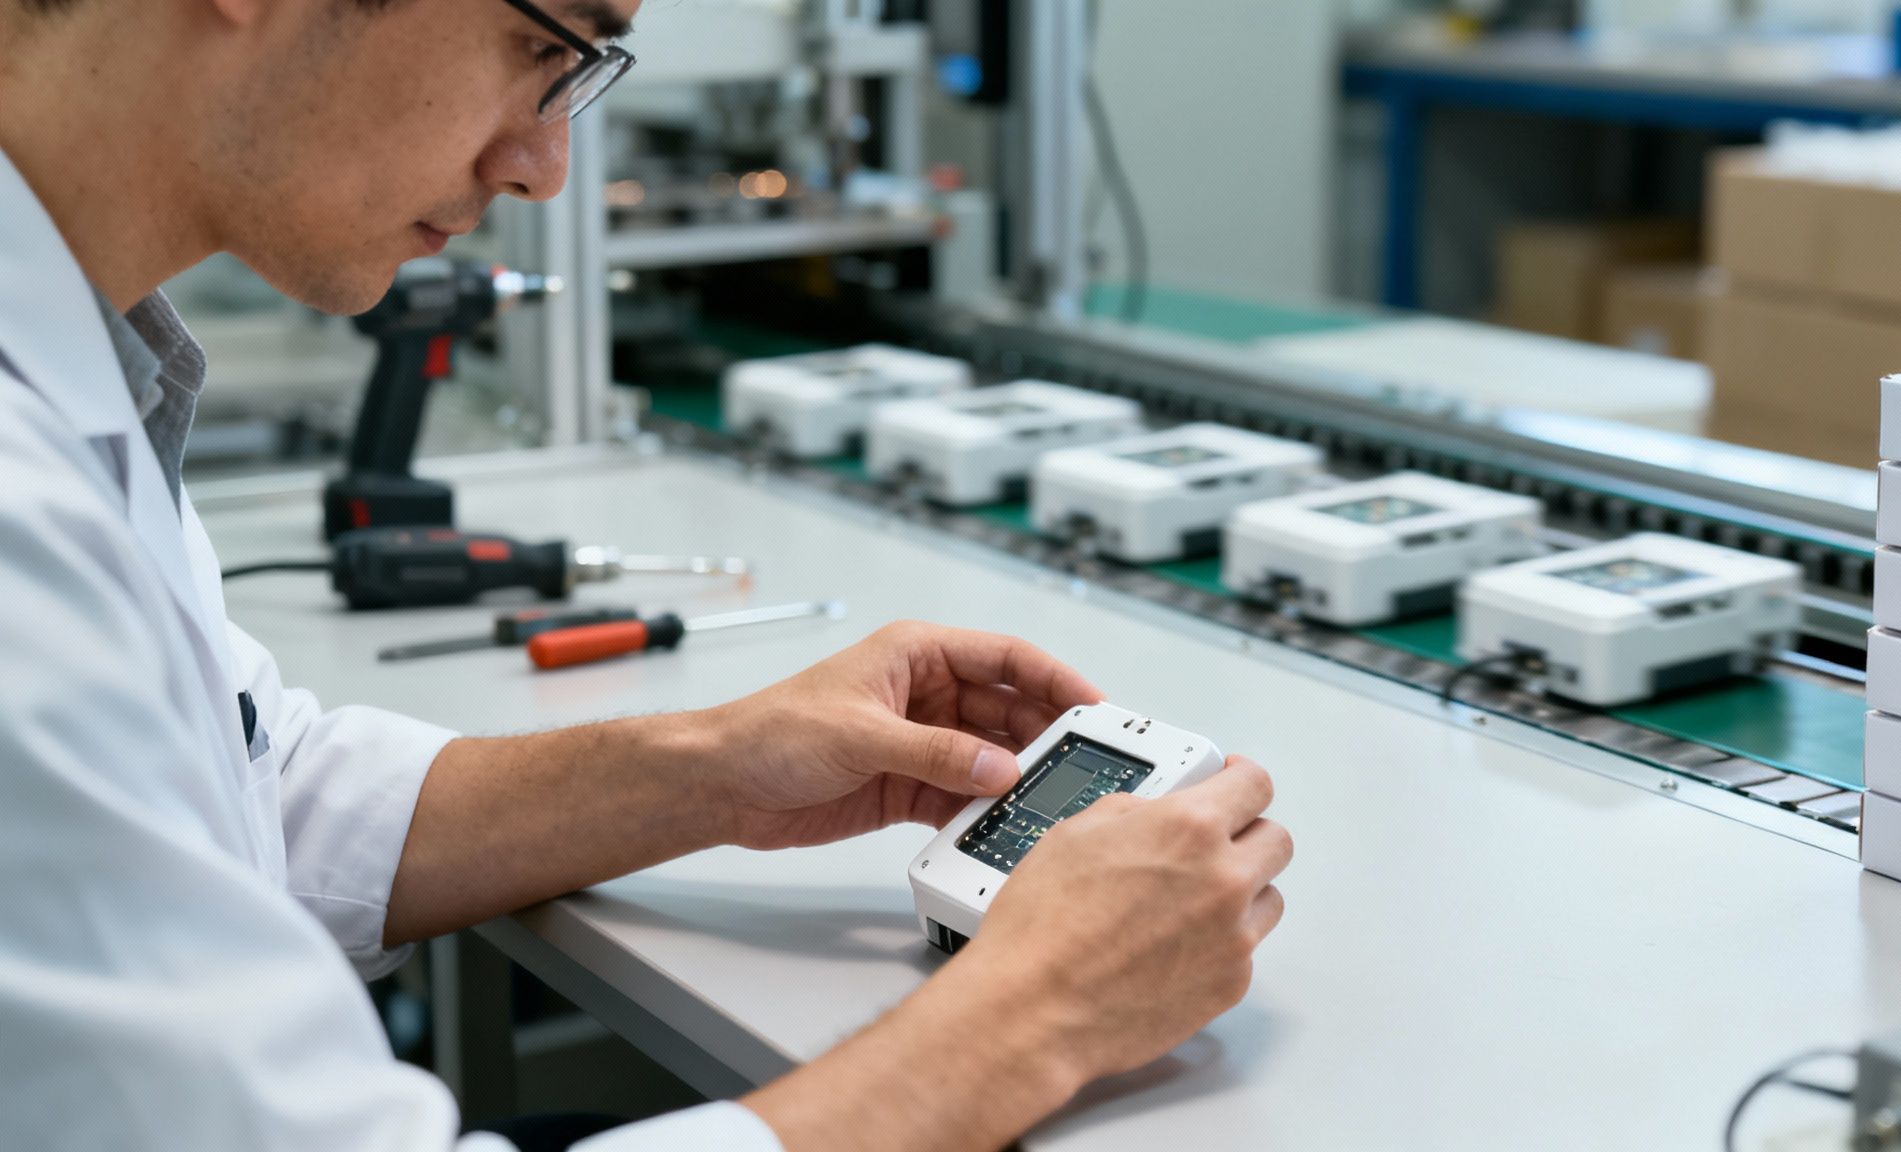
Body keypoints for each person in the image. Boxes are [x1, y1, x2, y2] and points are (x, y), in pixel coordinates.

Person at [0, 2, 1294, 1150]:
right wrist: (1039, 1014)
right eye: (542, 44)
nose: (546, 166)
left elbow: (247, 785)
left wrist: (711, 766)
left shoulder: (73, 382)